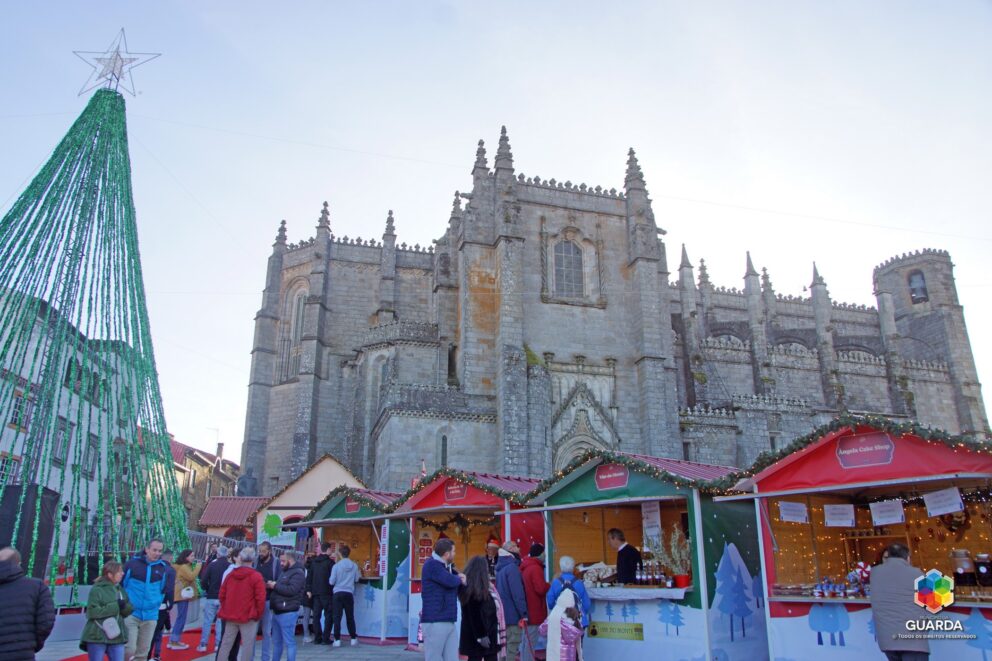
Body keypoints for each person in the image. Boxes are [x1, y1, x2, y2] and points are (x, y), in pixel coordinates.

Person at [870, 543, 930, 661]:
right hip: (913, 641)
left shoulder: (875, 573)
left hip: (887, 641)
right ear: (907, 557)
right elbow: (934, 599)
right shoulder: (916, 574)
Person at [122, 538, 174, 661]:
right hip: (131, 613)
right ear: (147, 549)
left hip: (151, 615)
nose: (157, 553)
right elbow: (122, 585)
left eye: (159, 551)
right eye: (154, 550)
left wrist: (156, 605)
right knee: (129, 649)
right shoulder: (132, 564)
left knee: (143, 652)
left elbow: (163, 591)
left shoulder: (163, 569)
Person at [0, 547, 55, 658]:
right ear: (18, 563)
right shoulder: (37, 586)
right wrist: (30, 644)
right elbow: (46, 622)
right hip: (22, 653)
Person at [217, 547, 267, 661]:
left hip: (231, 615)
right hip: (248, 616)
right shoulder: (256, 576)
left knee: (225, 644)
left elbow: (222, 594)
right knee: (247, 646)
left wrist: (226, 608)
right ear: (253, 559)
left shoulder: (231, 575)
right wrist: (258, 614)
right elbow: (260, 598)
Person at [422, 538, 466, 661]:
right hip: (435, 620)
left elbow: (454, 581)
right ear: (446, 554)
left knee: (452, 658)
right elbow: (450, 581)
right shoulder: (432, 565)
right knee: (434, 657)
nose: (455, 554)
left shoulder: (446, 567)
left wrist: (459, 577)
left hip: (448, 619)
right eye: (453, 551)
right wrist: (460, 578)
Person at [81, 561, 133, 661]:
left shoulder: (120, 589)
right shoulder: (97, 589)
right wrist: (115, 606)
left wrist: (124, 607)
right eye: (119, 571)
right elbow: (92, 612)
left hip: (117, 634)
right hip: (97, 635)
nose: (122, 573)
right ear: (110, 574)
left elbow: (128, 609)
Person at [459, 556, 502, 661]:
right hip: (481, 636)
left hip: (483, 636)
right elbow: (474, 615)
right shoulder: (474, 591)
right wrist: (481, 636)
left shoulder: (476, 588)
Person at [270, 551, 306, 661]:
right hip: (278, 610)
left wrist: (275, 585)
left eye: (283, 561)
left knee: (289, 642)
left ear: (290, 560)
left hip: (288, 611)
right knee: (277, 642)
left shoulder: (298, 573)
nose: (281, 563)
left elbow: (292, 590)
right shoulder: (285, 571)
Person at [495, 540, 528, 661]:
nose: (519, 549)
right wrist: (524, 614)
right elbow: (517, 594)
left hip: (503, 615)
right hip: (514, 616)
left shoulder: (500, 568)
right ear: (511, 549)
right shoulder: (512, 568)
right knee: (512, 648)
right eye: (517, 546)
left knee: (504, 649)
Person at [197, 545, 231, 652]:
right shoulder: (230, 567)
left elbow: (203, 580)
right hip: (223, 597)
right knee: (220, 622)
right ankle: (217, 644)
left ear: (218, 554)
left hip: (212, 595)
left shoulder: (212, 565)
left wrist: (207, 589)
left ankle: (203, 644)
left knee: (207, 621)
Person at [520, 543, 550, 661]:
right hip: (535, 610)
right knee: (530, 643)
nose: (545, 555)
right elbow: (540, 589)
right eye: (544, 553)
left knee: (526, 641)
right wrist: (549, 585)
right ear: (540, 554)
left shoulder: (527, 566)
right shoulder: (536, 568)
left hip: (528, 609)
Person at [168, 549, 199, 650]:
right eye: (192, 556)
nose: (193, 558)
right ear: (186, 557)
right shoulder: (184, 567)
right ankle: (174, 641)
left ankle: (173, 640)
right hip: (182, 595)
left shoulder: (181, 566)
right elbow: (191, 577)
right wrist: (198, 567)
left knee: (181, 617)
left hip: (180, 594)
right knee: (181, 618)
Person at [547, 556, 591, 629]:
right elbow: (587, 604)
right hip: (577, 621)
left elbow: (550, 602)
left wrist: (557, 609)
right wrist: (580, 612)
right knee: (578, 636)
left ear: (561, 568)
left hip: (560, 620)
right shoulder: (579, 583)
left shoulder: (556, 582)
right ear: (573, 568)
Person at [147, 549, 176, 661]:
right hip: (161, 605)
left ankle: (148, 655)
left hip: (150, 604)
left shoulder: (153, 567)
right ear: (170, 558)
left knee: (150, 633)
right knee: (156, 632)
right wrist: (170, 604)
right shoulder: (170, 570)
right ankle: (154, 655)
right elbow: (169, 589)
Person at [328, 544, 359, 647]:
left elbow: (331, 582)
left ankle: (337, 640)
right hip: (349, 593)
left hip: (337, 593)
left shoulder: (336, 566)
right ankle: (353, 638)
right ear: (349, 553)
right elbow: (356, 579)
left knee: (337, 617)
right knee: (350, 616)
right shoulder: (354, 566)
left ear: (340, 554)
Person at [540, 590, 584, 661]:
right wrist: (580, 657)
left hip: (554, 654)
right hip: (569, 655)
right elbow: (578, 640)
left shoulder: (553, 616)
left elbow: (542, 630)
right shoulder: (575, 618)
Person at [254, 541, 280, 660]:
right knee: (252, 631)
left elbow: (278, 580)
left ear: (269, 551)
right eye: (260, 551)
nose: (261, 553)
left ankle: (265, 657)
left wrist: (271, 584)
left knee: (266, 631)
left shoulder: (275, 563)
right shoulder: (256, 562)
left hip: (268, 599)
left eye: (263, 551)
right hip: (255, 600)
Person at [305, 542, 335, 644]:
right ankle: (326, 638)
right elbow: (333, 578)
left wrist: (309, 590)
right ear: (327, 550)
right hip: (327, 592)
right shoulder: (330, 563)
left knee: (316, 616)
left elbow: (309, 577)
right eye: (331, 549)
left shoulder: (314, 562)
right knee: (329, 615)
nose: (332, 551)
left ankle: (317, 637)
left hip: (315, 593)